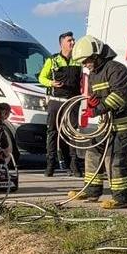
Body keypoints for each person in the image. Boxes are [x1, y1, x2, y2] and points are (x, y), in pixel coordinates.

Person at [68, 35, 127, 209]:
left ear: (96, 55)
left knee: (115, 159)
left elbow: (119, 96)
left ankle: (122, 199)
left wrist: (97, 109)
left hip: (125, 125)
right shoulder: (93, 74)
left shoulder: (117, 69)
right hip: (107, 124)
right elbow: (98, 97)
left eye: (86, 61)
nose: (85, 65)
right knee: (93, 152)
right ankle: (92, 191)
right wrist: (94, 102)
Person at [38, 31, 83, 177]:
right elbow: (41, 78)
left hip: (72, 103)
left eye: (73, 40)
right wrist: (51, 83)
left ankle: (74, 165)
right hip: (56, 102)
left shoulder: (78, 60)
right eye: (70, 40)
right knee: (52, 133)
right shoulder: (53, 60)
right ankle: (50, 165)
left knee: (72, 133)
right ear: (62, 43)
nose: (73, 42)